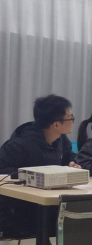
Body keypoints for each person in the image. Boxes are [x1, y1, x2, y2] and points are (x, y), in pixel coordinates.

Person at [0, 94, 80, 237]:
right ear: (56, 124)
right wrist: (34, 175)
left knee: (79, 216)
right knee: (70, 222)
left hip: (49, 201)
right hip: (19, 209)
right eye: (70, 118)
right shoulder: (19, 144)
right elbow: (2, 170)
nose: (73, 121)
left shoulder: (61, 139)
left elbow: (69, 157)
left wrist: (72, 164)